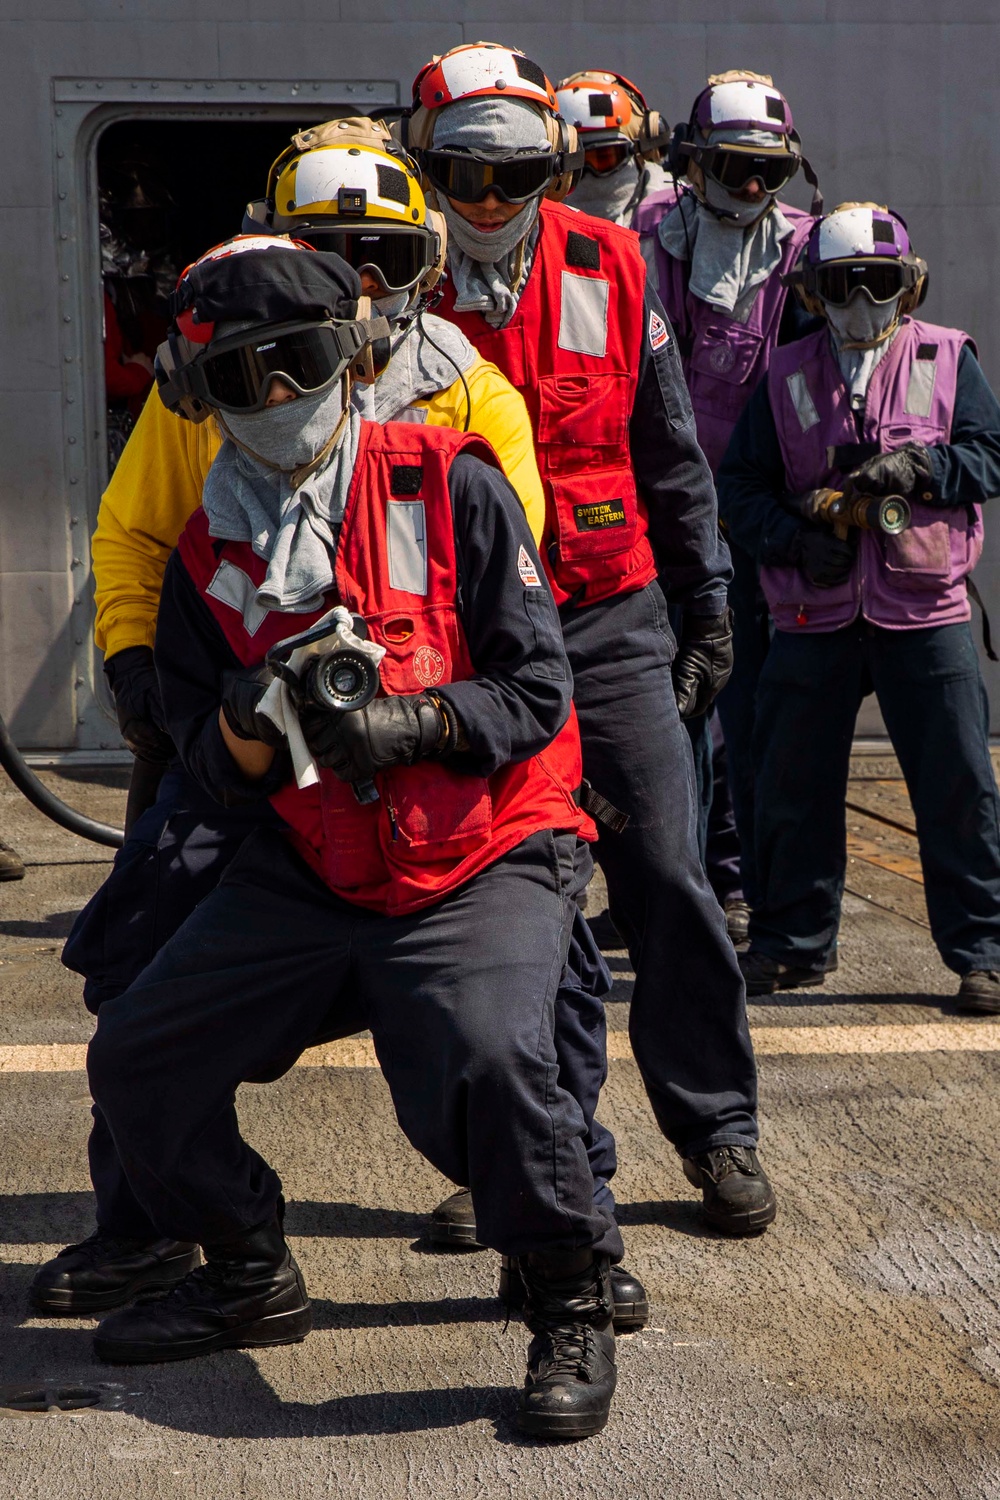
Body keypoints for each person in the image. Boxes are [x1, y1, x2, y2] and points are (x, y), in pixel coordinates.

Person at [43, 132, 647, 1335]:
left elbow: (536, 689)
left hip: (474, 840)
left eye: (301, 361)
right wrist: (243, 729)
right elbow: (209, 767)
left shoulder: (453, 469)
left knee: (493, 1050)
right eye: (238, 380)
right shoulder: (207, 555)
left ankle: (567, 1280)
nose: (273, 399)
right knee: (137, 1037)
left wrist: (407, 719)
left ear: (358, 347)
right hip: (306, 852)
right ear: (197, 393)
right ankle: (235, 1259)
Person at [404, 41, 776, 1234]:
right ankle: (544, 1154)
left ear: (556, 170)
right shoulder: (389, 282)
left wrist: (705, 601)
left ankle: (717, 1126)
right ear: (426, 169)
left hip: (609, 616)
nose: (488, 204)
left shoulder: (610, 264)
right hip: (466, 648)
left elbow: (669, 452)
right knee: (512, 904)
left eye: (516, 178)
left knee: (666, 873)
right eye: (461, 176)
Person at [716, 203, 1000, 1015]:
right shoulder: (786, 375)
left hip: (925, 609)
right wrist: (797, 542)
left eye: (879, 285)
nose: (861, 304)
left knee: (958, 785)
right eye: (842, 286)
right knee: (789, 782)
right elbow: (741, 488)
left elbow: (991, 452)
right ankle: (791, 946)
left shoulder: (948, 357)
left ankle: (984, 952)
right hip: (814, 609)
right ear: (814, 291)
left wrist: (922, 469)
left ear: (908, 288)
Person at [634, 71, 822, 934]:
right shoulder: (641, 240)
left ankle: (740, 881)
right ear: (692, 164)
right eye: (733, 169)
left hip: (757, 511)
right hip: (659, 509)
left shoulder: (809, 251)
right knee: (672, 709)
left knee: (753, 708)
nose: (750, 189)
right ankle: (683, 881)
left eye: (768, 173)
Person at [555, 70, 668, 226]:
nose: (589, 178)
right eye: (573, 164)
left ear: (641, 153)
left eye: (604, 158)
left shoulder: (678, 217)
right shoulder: (532, 228)